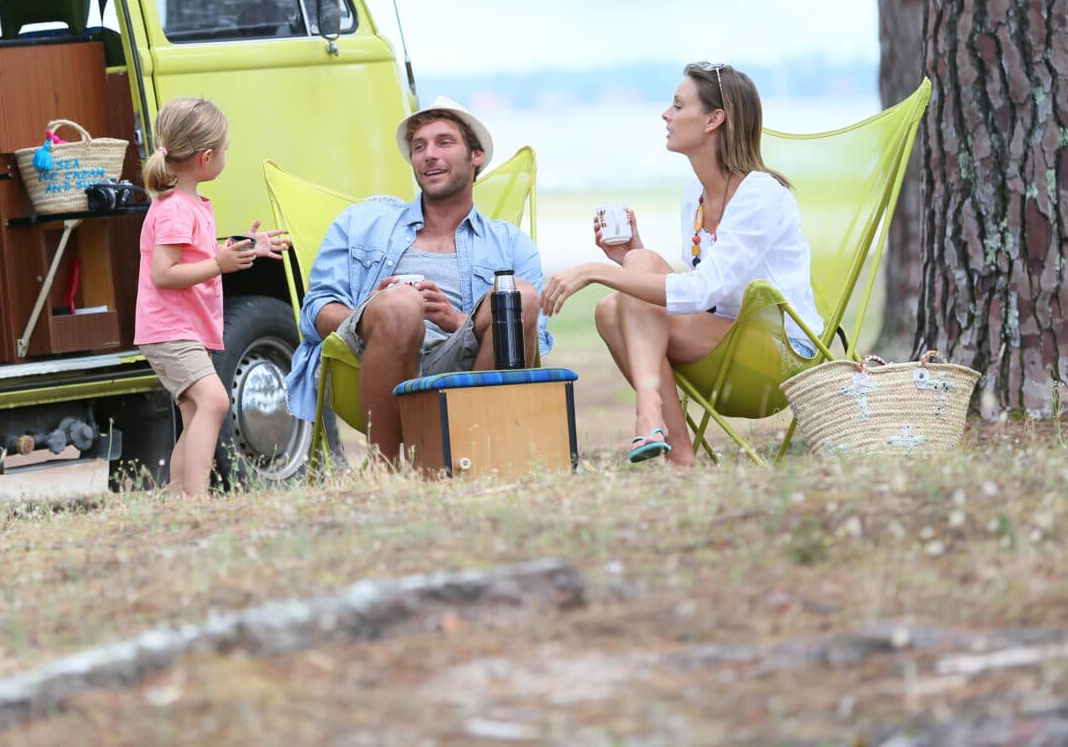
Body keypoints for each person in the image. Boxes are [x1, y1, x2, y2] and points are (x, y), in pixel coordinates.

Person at [540, 62, 823, 467]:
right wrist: (629, 259)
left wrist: (596, 271)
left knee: (617, 295)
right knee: (615, 299)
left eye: (677, 105)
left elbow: (701, 292)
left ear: (714, 119)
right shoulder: (696, 192)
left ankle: (649, 410)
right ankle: (681, 456)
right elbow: (705, 291)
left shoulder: (761, 194)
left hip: (779, 358)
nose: (665, 114)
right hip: (724, 341)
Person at [287, 96, 553, 462]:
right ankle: (386, 466)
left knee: (517, 296)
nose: (428, 154)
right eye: (419, 147)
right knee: (401, 304)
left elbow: (535, 339)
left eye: (444, 142)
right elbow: (315, 312)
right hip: (370, 359)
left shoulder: (509, 243)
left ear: (475, 156)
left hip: (467, 361)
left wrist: (455, 320)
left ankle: (475, 453)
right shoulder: (362, 222)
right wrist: (373, 314)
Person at [134, 97, 289, 498]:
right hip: (169, 331)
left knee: (196, 415)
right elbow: (164, 273)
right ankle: (197, 500)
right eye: (225, 148)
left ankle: (179, 501)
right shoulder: (173, 210)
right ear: (206, 157)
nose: (226, 155)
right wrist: (220, 264)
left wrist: (248, 246)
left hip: (184, 329)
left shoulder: (192, 205)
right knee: (216, 401)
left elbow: (200, 254)